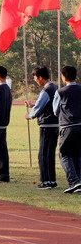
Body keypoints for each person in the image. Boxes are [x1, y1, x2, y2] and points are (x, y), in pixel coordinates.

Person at [25, 67, 59, 189]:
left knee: (43, 154)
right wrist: (33, 104)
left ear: (40, 77)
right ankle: (52, 180)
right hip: (55, 124)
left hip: (46, 125)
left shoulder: (46, 90)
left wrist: (30, 115)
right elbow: (49, 103)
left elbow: (39, 107)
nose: (36, 81)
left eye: (35, 79)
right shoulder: (55, 88)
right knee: (50, 154)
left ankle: (46, 181)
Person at [52, 65, 81, 194]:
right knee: (77, 154)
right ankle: (79, 181)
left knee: (64, 154)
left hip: (68, 126)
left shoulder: (60, 92)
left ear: (63, 77)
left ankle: (74, 181)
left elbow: (56, 111)